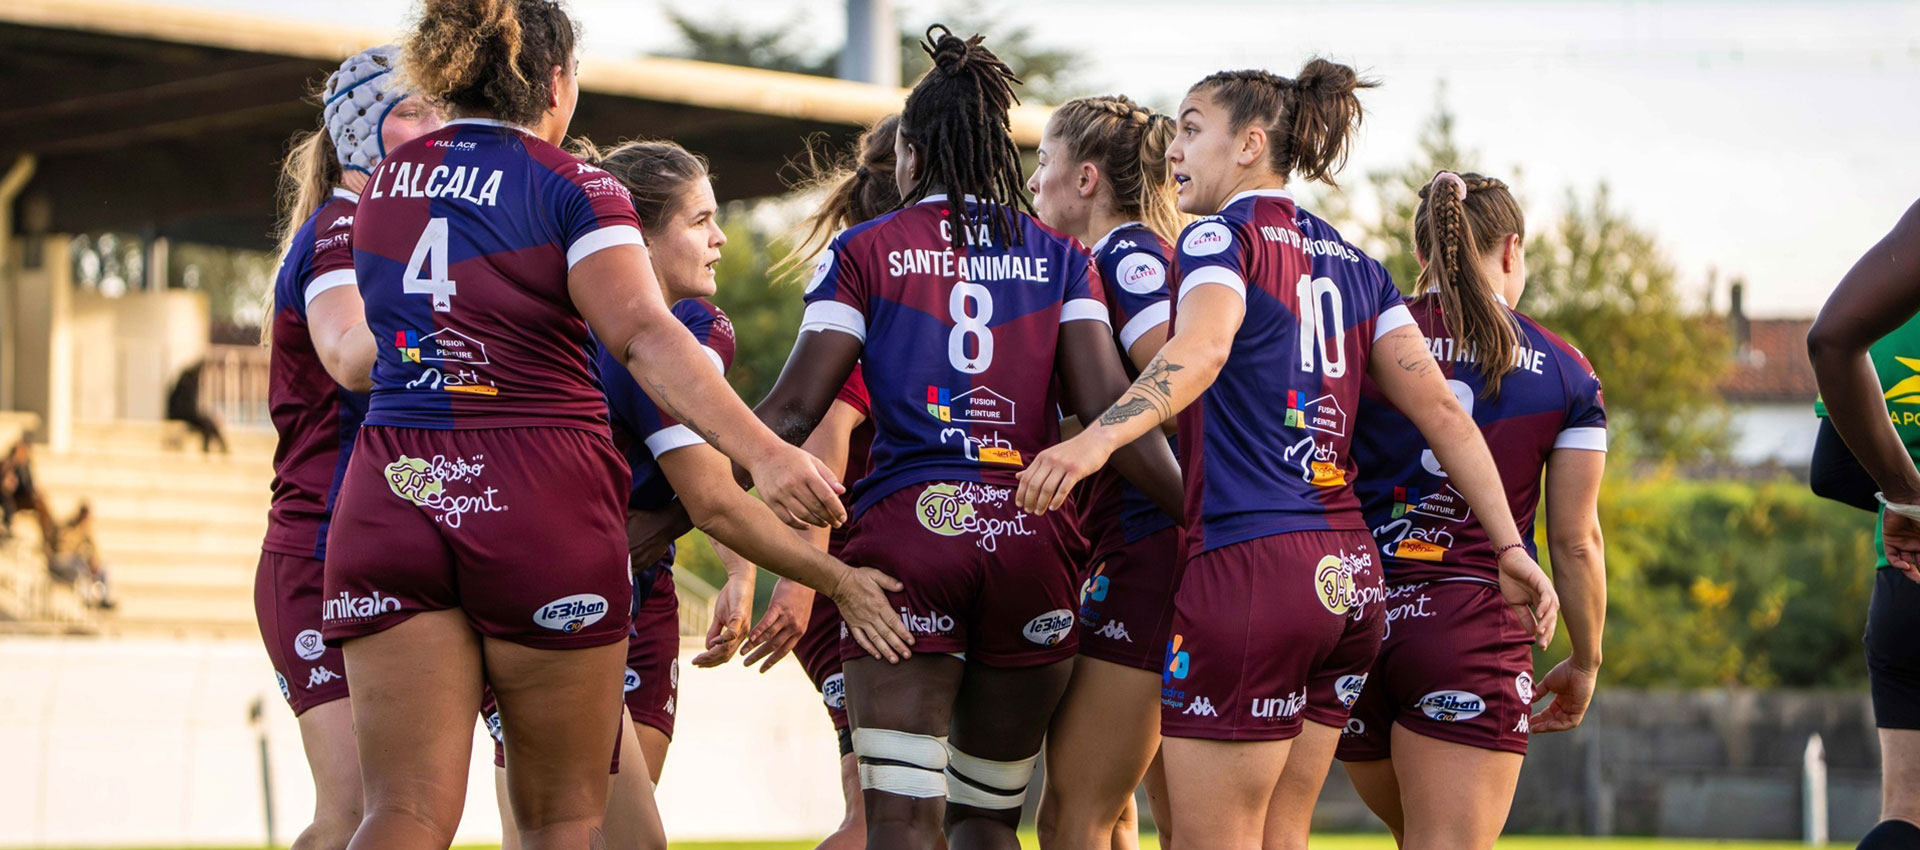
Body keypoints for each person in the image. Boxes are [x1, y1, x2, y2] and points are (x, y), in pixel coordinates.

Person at [320, 2, 905, 848]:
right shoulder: (574, 186)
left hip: (393, 488)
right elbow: (641, 334)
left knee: (402, 812)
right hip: (533, 497)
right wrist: (768, 453)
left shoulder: (387, 182)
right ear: (556, 82)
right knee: (566, 820)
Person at [1015, 61, 1558, 849]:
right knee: (1279, 833)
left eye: (1192, 128)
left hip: (1251, 567)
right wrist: (1509, 546)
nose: (1174, 149)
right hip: (1349, 581)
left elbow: (1200, 349)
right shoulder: (1358, 263)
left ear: (1250, 145)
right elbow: (1443, 410)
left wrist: (1096, 438)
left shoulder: (1217, 236)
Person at [753, 27, 1183, 850]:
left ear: (910, 155)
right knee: (986, 819)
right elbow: (1111, 415)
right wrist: (1203, 518)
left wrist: (692, 488)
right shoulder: (1062, 257)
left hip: (909, 545)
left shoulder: (864, 248)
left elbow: (795, 412)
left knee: (900, 820)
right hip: (1031, 546)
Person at [1335, 172, 1608, 850]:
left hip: (1352, 620)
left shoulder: (1361, 342)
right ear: (1512, 249)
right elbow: (1576, 542)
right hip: (1468, 629)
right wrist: (1585, 659)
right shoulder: (1565, 368)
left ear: (1421, 250)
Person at [253, 45, 440, 850]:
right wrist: (461, 332)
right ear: (362, 131)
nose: (439, 128)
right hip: (318, 552)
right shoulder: (339, 228)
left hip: (390, 546)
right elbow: (351, 356)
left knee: (402, 813)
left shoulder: (406, 232)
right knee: (357, 814)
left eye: (443, 109)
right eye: (415, 111)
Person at [1024, 94, 1185, 850]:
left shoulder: (1125, 255)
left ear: (1085, 178)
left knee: (1071, 818)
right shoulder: (1109, 261)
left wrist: (1075, 441)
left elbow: (1181, 387)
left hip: (1152, 544)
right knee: (1129, 816)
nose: (1033, 182)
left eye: (1043, 162)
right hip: (1142, 542)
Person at [748, 115, 903, 850]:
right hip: (855, 592)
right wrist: (803, 581)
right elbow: (822, 442)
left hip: (870, 584)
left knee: (911, 820)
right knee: (878, 819)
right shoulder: (879, 311)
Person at [1806, 197, 1920, 850]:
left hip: (1905, 584)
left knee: (1905, 814)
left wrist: (1911, 504)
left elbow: (1831, 471)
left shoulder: (1889, 329)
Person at [166, 360, 230, 454]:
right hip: (182, 414)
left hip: (183, 413)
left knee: (208, 423)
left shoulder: (186, 380)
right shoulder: (189, 382)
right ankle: (217, 448)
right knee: (208, 423)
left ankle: (211, 447)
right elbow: (187, 406)